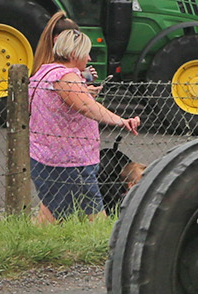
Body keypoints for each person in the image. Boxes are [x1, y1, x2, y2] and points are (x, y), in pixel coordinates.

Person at [26, 16, 141, 219]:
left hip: (47, 158)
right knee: (94, 216)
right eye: (86, 53)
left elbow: (70, 104)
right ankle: (101, 247)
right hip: (69, 163)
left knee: (52, 209)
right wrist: (121, 121)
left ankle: (34, 245)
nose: (88, 58)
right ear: (73, 53)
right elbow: (88, 108)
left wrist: (85, 92)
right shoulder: (65, 77)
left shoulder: (44, 72)